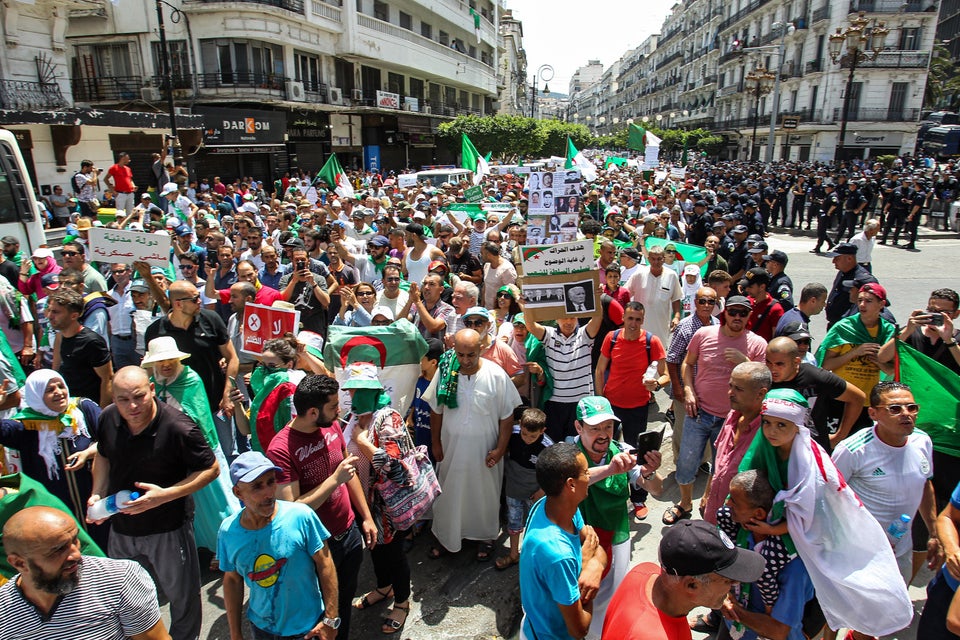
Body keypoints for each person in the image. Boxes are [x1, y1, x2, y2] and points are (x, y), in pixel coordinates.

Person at [739, 388, 914, 638]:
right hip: (758, 532)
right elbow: (742, 483)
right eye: (767, 423)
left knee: (792, 606)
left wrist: (774, 529)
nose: (771, 431)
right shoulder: (763, 447)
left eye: (781, 425)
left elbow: (816, 512)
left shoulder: (810, 462)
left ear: (798, 426)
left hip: (796, 544)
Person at [90, 366, 219, 640]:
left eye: (139, 396)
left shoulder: (178, 427)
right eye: (123, 399)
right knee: (123, 596)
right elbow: (103, 455)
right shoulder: (108, 417)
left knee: (182, 599)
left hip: (168, 529)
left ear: (151, 389)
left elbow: (211, 469)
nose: (132, 406)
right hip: (122, 527)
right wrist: (97, 494)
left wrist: (165, 495)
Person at [266, 374, 377, 640]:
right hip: (316, 549)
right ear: (313, 411)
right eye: (333, 406)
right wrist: (334, 480)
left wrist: (366, 517)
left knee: (343, 603)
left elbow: (348, 474)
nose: (340, 410)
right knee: (319, 616)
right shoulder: (281, 449)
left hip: (349, 535)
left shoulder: (331, 426)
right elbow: (291, 508)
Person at [218, 451, 341, 640]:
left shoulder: (301, 516)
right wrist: (235, 634)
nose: (269, 493)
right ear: (237, 492)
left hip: (308, 629)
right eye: (257, 487)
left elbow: (325, 564)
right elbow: (232, 579)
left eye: (270, 481)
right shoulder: (228, 532)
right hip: (262, 629)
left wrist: (331, 619)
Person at [0, 506, 171, 640]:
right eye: (58, 550)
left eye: (75, 540)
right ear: (19, 563)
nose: (75, 554)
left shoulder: (119, 579)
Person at [423, 329, 521, 560]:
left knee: (484, 495)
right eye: (460, 355)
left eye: (471, 355)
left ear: (480, 350)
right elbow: (436, 410)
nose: (465, 360)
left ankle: (484, 537)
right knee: (449, 492)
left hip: (485, 453)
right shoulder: (446, 372)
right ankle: (447, 536)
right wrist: (435, 442)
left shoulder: (496, 375)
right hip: (451, 450)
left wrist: (500, 449)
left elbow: (507, 416)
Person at [142, 337, 241, 560]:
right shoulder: (151, 383)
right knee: (187, 503)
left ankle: (227, 546)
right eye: (161, 362)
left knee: (217, 500)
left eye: (170, 360)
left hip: (199, 451)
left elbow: (198, 416)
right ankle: (198, 545)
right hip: (172, 455)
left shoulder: (191, 379)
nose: (166, 365)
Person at [670, 296, 766, 525]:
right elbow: (687, 363)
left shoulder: (757, 344)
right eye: (733, 312)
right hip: (699, 413)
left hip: (733, 420)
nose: (737, 317)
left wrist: (745, 361)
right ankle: (685, 503)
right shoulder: (704, 334)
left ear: (749, 316)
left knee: (720, 467)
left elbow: (763, 379)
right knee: (685, 463)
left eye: (743, 313)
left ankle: (707, 500)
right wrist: (689, 390)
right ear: (724, 312)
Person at [574, 395, 664, 638]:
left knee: (611, 593)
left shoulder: (623, 451)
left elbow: (657, 489)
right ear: (578, 427)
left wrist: (650, 472)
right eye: (595, 428)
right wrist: (611, 470)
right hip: (579, 540)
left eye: (608, 427)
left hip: (616, 534)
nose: (603, 434)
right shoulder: (567, 454)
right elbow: (570, 481)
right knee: (580, 594)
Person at [832, 381, 937, 588]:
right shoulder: (853, 450)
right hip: (860, 553)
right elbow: (829, 497)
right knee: (854, 616)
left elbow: (924, 485)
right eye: (895, 409)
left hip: (901, 549)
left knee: (895, 612)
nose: (906, 413)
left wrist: (934, 532)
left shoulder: (922, 441)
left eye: (912, 407)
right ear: (873, 414)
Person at [341, 363, 415, 635]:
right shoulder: (352, 416)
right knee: (374, 547)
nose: (354, 395)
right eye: (351, 389)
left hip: (388, 504)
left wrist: (363, 443)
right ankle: (384, 587)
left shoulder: (388, 417)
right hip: (364, 502)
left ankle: (403, 601)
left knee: (394, 553)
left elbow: (396, 468)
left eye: (360, 389)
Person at [601, 519, 765, 640]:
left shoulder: (645, 572)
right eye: (727, 580)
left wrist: (717, 597)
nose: (735, 584)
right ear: (692, 585)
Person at [0, 370, 105, 546]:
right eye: (50, 389)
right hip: (56, 516)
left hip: (96, 506)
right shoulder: (26, 426)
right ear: (36, 394)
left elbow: (111, 438)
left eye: (60, 386)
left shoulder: (83, 409)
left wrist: (88, 452)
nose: (58, 392)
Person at [519, 442, 607, 640]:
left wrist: (595, 566)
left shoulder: (555, 507)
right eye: (585, 472)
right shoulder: (557, 554)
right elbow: (579, 629)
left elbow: (596, 548)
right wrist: (584, 571)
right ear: (571, 484)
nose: (590, 476)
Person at [594, 301, 668, 520]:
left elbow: (664, 375)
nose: (633, 323)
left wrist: (656, 385)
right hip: (611, 406)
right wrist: (600, 400)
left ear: (642, 320)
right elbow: (600, 369)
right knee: (605, 450)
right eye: (630, 318)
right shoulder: (612, 338)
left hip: (637, 407)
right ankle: (607, 492)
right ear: (623, 318)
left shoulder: (651, 341)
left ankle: (638, 499)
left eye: (637, 319)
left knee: (637, 452)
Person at [818, 282, 896, 439]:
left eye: (868, 301)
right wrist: (855, 352)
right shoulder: (844, 327)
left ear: (881, 304)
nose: (862, 304)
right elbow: (826, 365)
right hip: (839, 398)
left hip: (867, 402)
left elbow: (891, 370)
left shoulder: (888, 331)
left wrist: (878, 361)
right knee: (832, 443)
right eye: (860, 300)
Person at [521, 297, 603, 443]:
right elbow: (531, 326)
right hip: (555, 403)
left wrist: (596, 296)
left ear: (577, 318)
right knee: (554, 445)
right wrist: (526, 305)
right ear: (556, 318)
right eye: (564, 317)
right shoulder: (549, 335)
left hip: (580, 402)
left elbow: (597, 319)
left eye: (572, 317)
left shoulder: (585, 335)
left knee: (577, 446)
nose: (568, 322)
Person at [495, 407, 552, 571]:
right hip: (513, 490)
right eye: (524, 434)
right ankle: (513, 555)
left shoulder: (547, 447)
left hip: (535, 494)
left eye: (533, 436)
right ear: (520, 425)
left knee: (536, 525)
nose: (527, 439)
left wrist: (543, 490)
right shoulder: (511, 434)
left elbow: (554, 473)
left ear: (543, 431)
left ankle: (533, 558)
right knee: (513, 523)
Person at [48, 288, 113, 408]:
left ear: (74, 315)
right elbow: (56, 368)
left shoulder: (91, 342)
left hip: (89, 406)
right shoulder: (60, 336)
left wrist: (101, 414)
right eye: (50, 310)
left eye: (56, 312)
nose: (50, 316)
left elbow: (108, 379)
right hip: (69, 405)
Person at [625, 244, 682, 348]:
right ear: (648, 259)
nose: (656, 262)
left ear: (664, 259)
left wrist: (677, 317)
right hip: (639, 327)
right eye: (653, 259)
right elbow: (625, 294)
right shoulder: (639, 274)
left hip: (661, 327)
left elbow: (676, 298)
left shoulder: (672, 275)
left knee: (658, 357)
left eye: (659, 259)